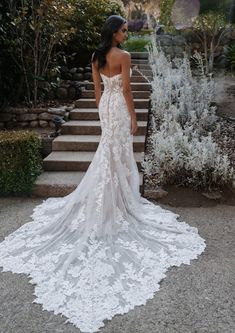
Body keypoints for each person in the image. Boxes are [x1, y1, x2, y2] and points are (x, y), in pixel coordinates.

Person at [0, 15, 206, 333]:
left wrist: (102, 114)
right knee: (116, 156)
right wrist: (134, 116)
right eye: (124, 30)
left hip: (105, 109)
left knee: (109, 154)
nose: (126, 34)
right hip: (119, 108)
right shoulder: (122, 56)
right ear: (114, 32)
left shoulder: (96, 57)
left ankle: (113, 201)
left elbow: (98, 92)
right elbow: (126, 91)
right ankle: (117, 204)